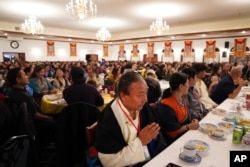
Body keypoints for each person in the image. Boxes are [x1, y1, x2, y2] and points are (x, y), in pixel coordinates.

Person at [96, 71, 163, 167]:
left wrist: (153, 135)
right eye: (140, 95)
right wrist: (140, 142)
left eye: (146, 93)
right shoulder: (109, 119)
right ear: (123, 95)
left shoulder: (143, 107)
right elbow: (108, 162)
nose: (145, 99)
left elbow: (155, 133)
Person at [6, 68, 56, 150]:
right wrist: (48, 117)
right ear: (18, 79)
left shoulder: (11, 91)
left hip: (22, 125)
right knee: (56, 120)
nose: (27, 76)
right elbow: (35, 115)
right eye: (24, 75)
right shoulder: (23, 95)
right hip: (33, 124)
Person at [157, 72, 199, 145]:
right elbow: (172, 130)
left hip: (186, 134)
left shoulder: (182, 99)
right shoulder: (166, 105)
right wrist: (189, 126)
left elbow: (189, 115)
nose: (188, 86)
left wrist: (194, 120)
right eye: (187, 84)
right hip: (175, 141)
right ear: (181, 86)